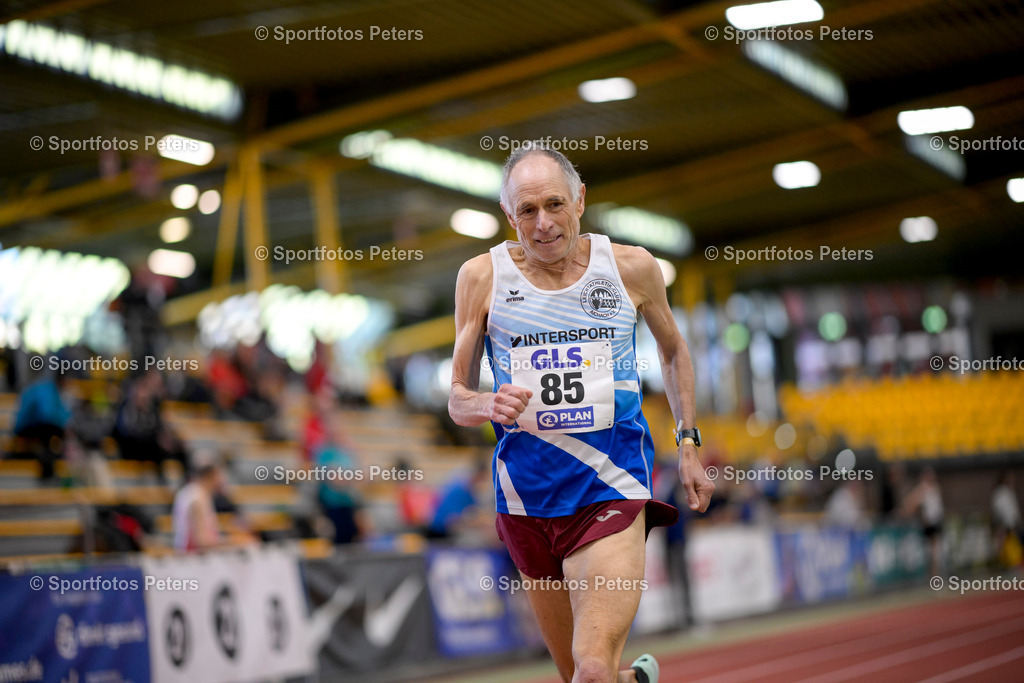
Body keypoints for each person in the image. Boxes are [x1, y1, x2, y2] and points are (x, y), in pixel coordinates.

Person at [448, 144, 713, 683]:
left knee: (591, 671)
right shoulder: (482, 278)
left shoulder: (631, 268)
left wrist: (688, 444)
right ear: (508, 215)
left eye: (554, 204)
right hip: (527, 499)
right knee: (582, 679)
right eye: (527, 211)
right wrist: (485, 402)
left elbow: (673, 350)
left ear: (580, 200)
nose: (543, 224)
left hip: (611, 488)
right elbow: (457, 395)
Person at [171, 462, 227, 552]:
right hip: (194, 556)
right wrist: (231, 542)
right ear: (211, 476)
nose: (222, 480)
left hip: (185, 550)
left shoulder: (190, 492)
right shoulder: (198, 499)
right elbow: (202, 541)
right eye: (219, 475)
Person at [903, 467, 944, 577]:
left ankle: (936, 573)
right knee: (932, 550)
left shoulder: (935, 488)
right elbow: (910, 503)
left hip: (937, 521)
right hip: (929, 523)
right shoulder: (923, 490)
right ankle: (934, 573)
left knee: (937, 550)